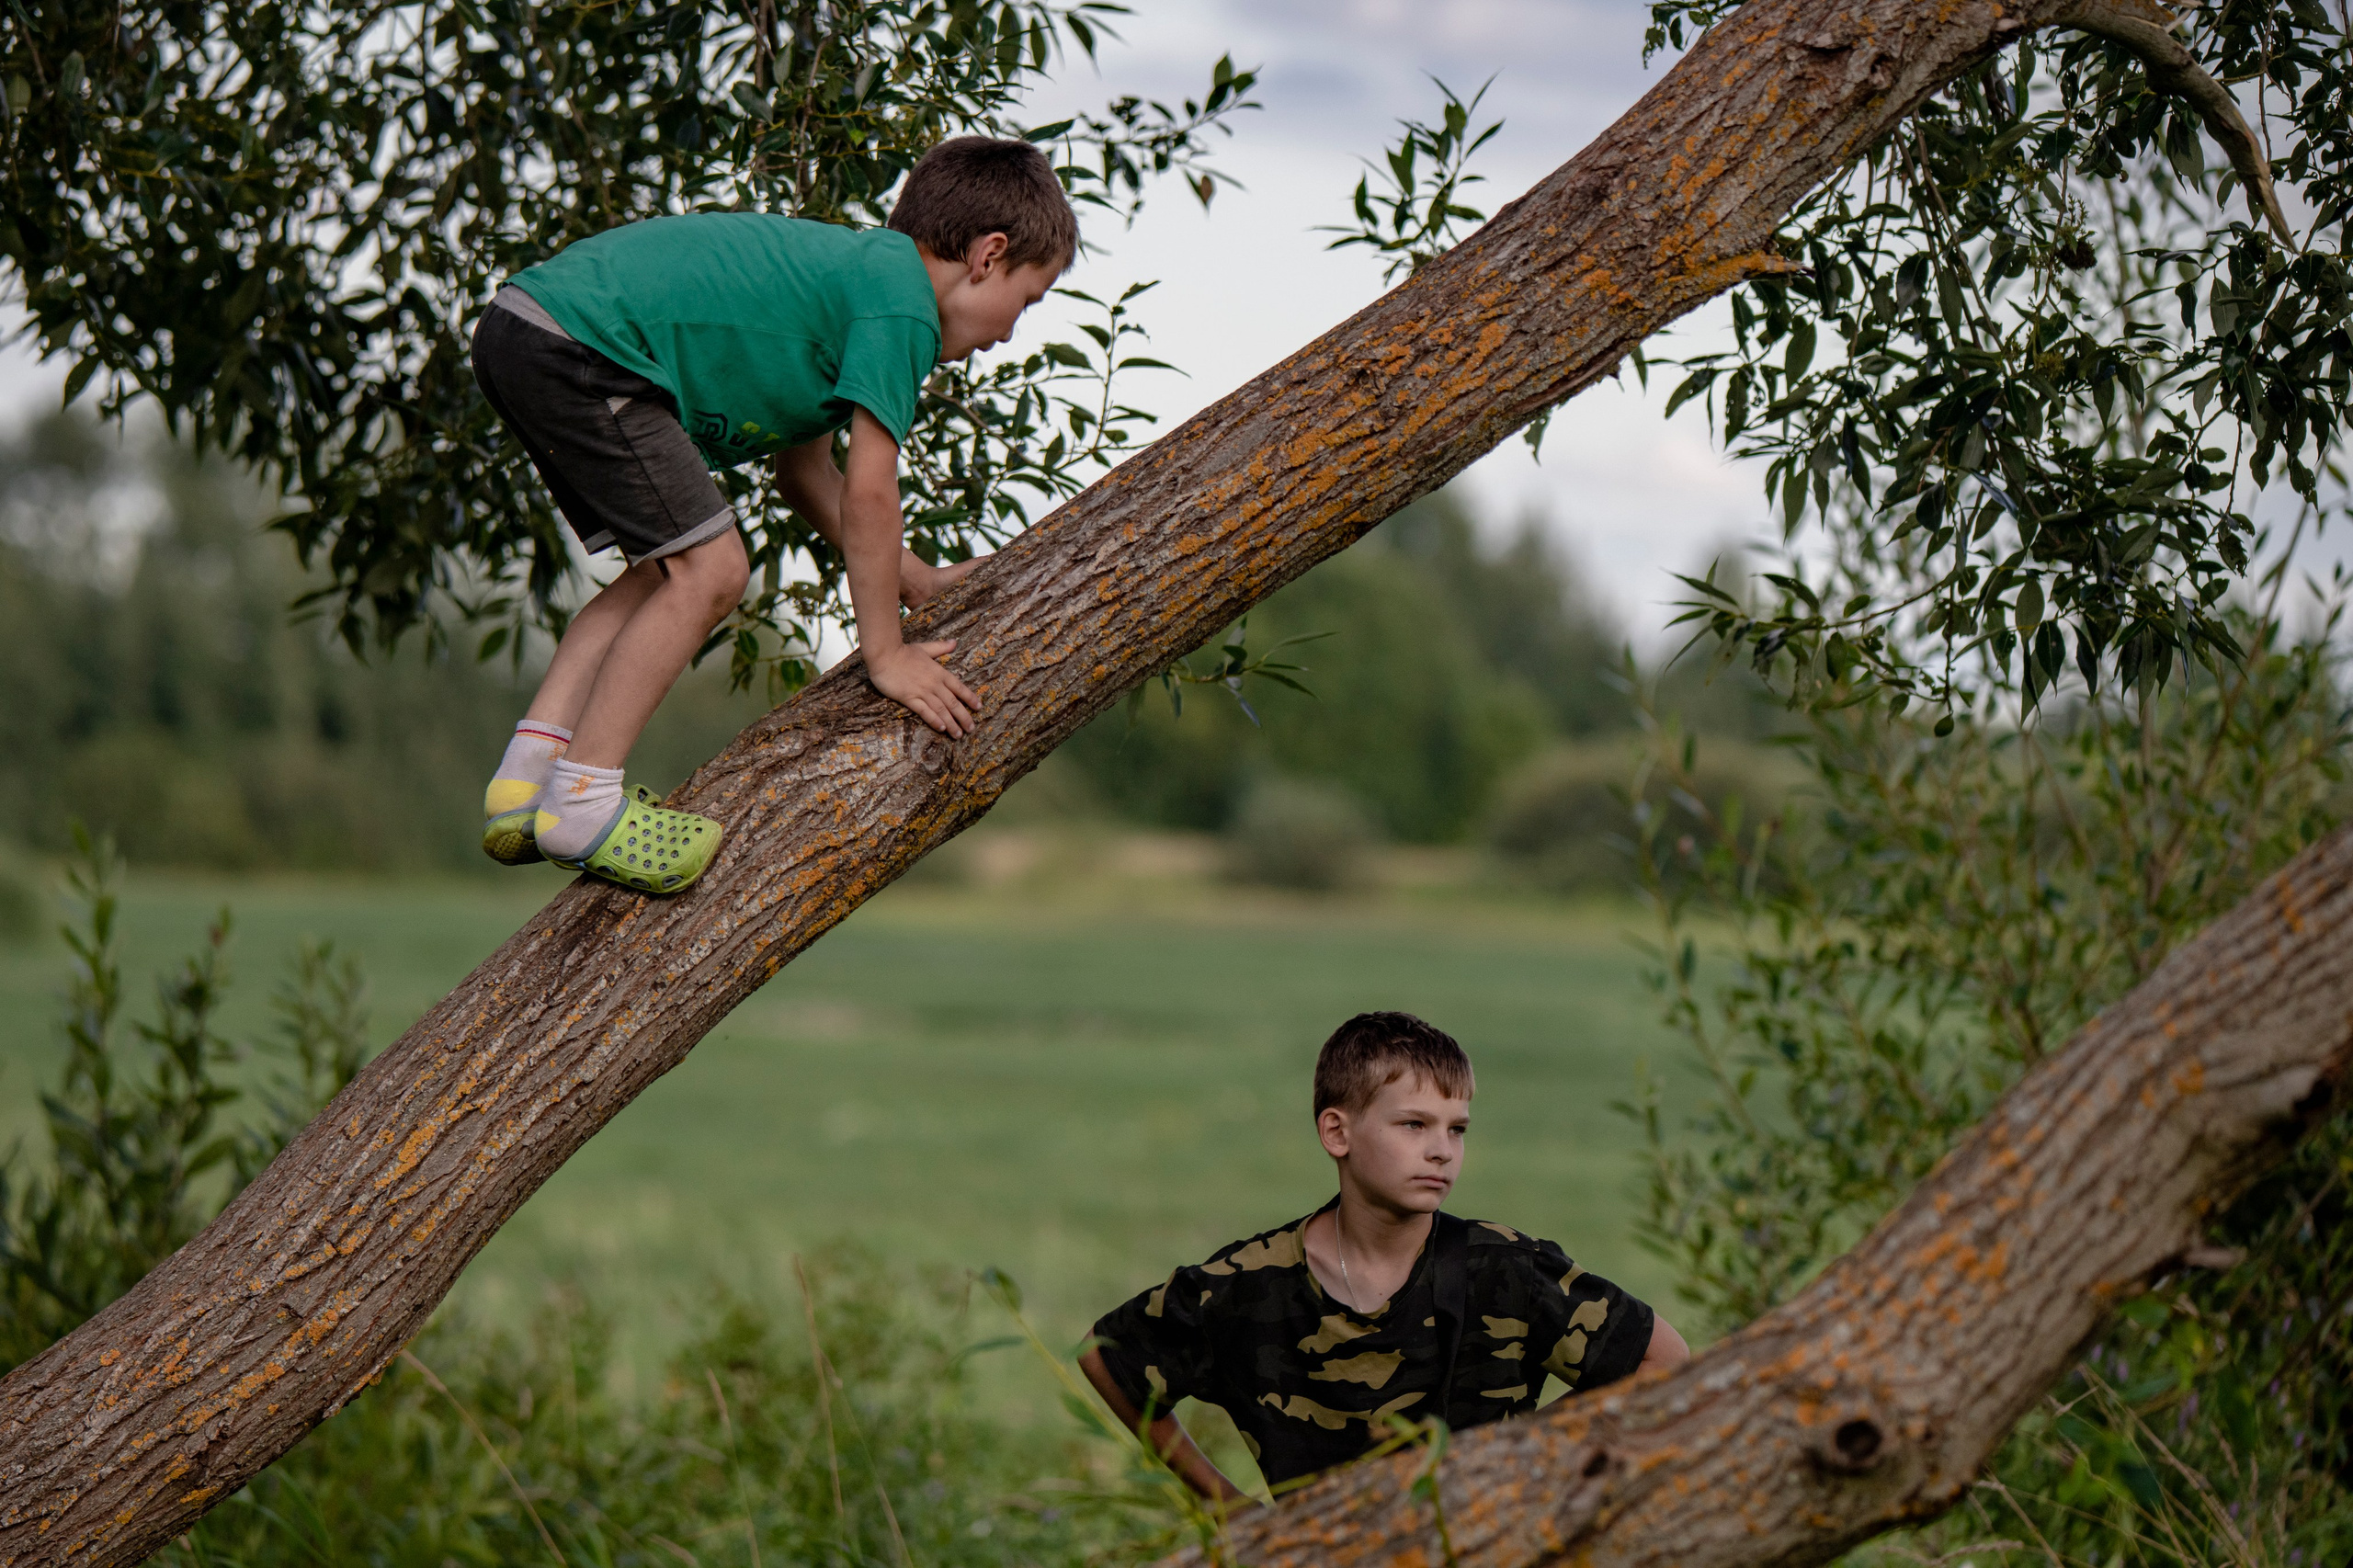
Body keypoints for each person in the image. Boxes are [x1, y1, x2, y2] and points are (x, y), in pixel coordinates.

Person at [469, 136, 1075, 892]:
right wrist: (884, 655)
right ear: (988, 256)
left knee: (662, 575)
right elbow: (870, 491)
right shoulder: (903, 306)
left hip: (528, 327)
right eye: (1026, 301)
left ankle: (526, 782)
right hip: (583, 343)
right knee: (712, 571)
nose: (1010, 332)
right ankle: (584, 803)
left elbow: (808, 474)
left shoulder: (851, 292)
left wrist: (915, 580)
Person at [1081, 1011, 1689, 1504]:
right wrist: (1230, 1514)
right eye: (1413, 1124)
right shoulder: (1247, 1284)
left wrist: (1541, 1479)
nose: (1441, 1152)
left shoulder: (1504, 1269)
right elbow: (1107, 1359)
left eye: (1457, 1129)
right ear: (1337, 1133)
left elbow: (1663, 1357)